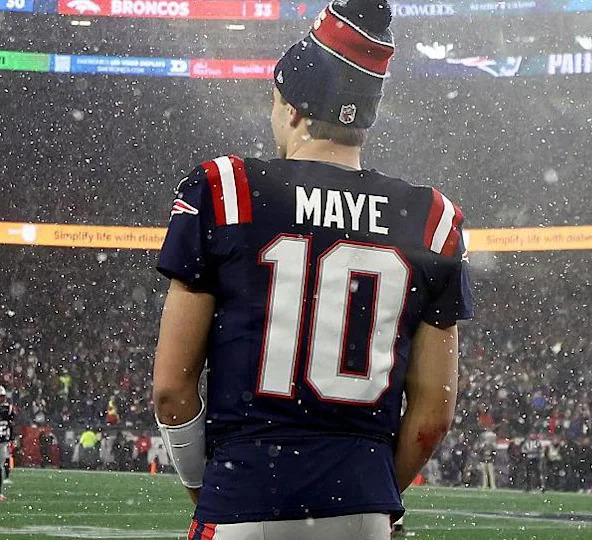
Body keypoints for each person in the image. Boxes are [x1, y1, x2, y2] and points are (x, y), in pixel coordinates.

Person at [151, 0, 473, 537]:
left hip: (244, 496)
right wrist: (362, 492)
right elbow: (433, 417)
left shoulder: (228, 192)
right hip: (363, 505)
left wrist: (209, 490)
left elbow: (171, 389)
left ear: (295, 109)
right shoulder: (431, 221)